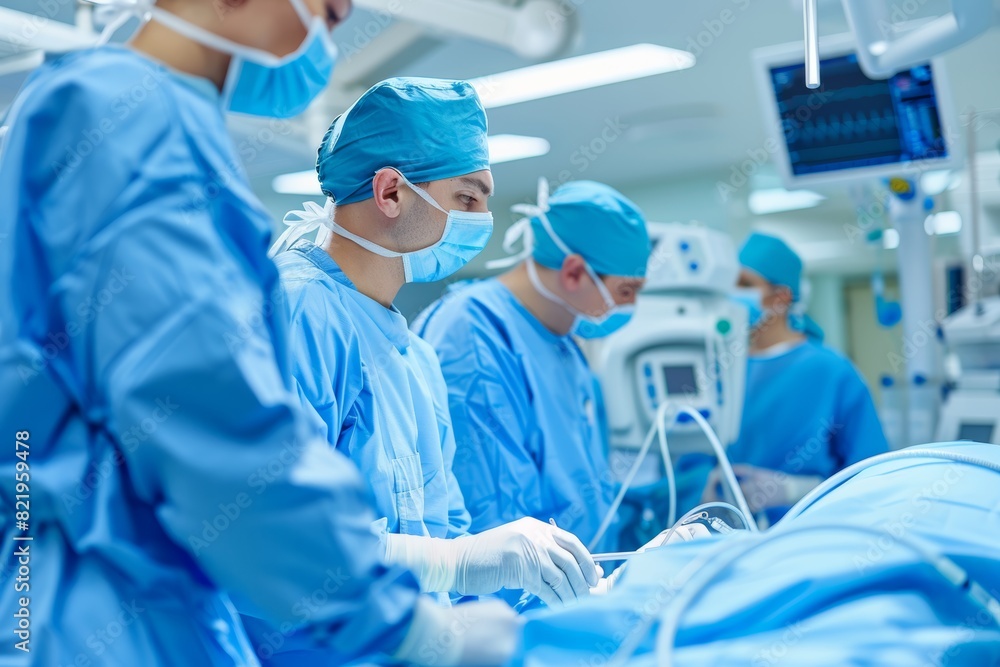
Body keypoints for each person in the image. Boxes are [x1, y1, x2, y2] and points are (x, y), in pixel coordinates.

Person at [0, 3, 516, 666]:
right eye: (324, 11)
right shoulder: (127, 125)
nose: (326, 37)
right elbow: (221, 444)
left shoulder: (147, 124)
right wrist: (410, 627)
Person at [263, 78, 600, 632]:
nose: (481, 222)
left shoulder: (412, 355)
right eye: (467, 198)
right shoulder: (296, 311)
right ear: (390, 192)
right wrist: (459, 564)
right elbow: (276, 542)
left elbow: (444, 537)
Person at [413, 179, 653, 561]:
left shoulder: (563, 341)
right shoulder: (475, 335)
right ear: (574, 273)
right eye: (626, 292)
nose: (631, 306)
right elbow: (494, 519)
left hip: (578, 584)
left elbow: (582, 482)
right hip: (523, 598)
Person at [704, 232, 889, 523]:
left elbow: (872, 474)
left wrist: (797, 490)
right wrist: (705, 490)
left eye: (745, 284)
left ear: (780, 298)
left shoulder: (831, 372)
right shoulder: (719, 369)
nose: (733, 294)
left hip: (809, 535)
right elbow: (686, 460)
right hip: (723, 537)